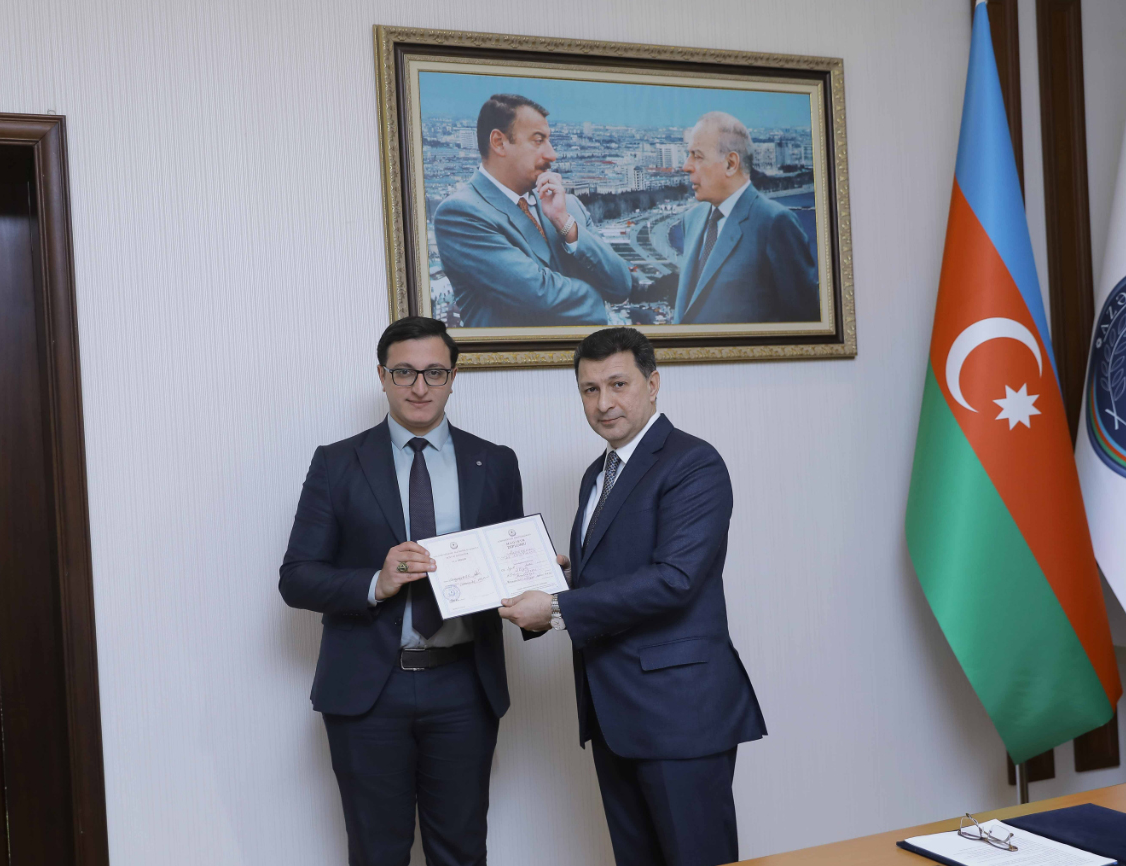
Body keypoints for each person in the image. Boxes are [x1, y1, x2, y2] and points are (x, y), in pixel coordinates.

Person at [498, 327, 767, 866]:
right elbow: (620, 570)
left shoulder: (693, 462)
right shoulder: (596, 475)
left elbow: (674, 579)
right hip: (613, 713)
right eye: (590, 389)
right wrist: (563, 580)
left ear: (653, 383)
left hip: (679, 714)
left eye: (618, 384)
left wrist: (557, 609)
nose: (604, 403)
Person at [279, 316, 523, 866]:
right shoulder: (336, 463)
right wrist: (376, 581)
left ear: (453, 377)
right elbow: (296, 576)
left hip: (464, 686)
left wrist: (534, 580)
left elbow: (506, 566)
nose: (419, 386)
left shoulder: (494, 461)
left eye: (434, 372)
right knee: (377, 853)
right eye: (404, 372)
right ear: (382, 377)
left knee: (461, 851)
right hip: (370, 689)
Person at [434, 93, 633, 327]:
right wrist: (599, 296)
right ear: (499, 142)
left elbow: (621, 285)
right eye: (538, 141)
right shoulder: (460, 213)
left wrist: (565, 223)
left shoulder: (568, 207)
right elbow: (539, 297)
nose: (552, 155)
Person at [674, 111, 820, 325]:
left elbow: (804, 321)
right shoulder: (692, 219)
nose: (686, 166)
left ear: (730, 164)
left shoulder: (775, 223)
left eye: (697, 156)